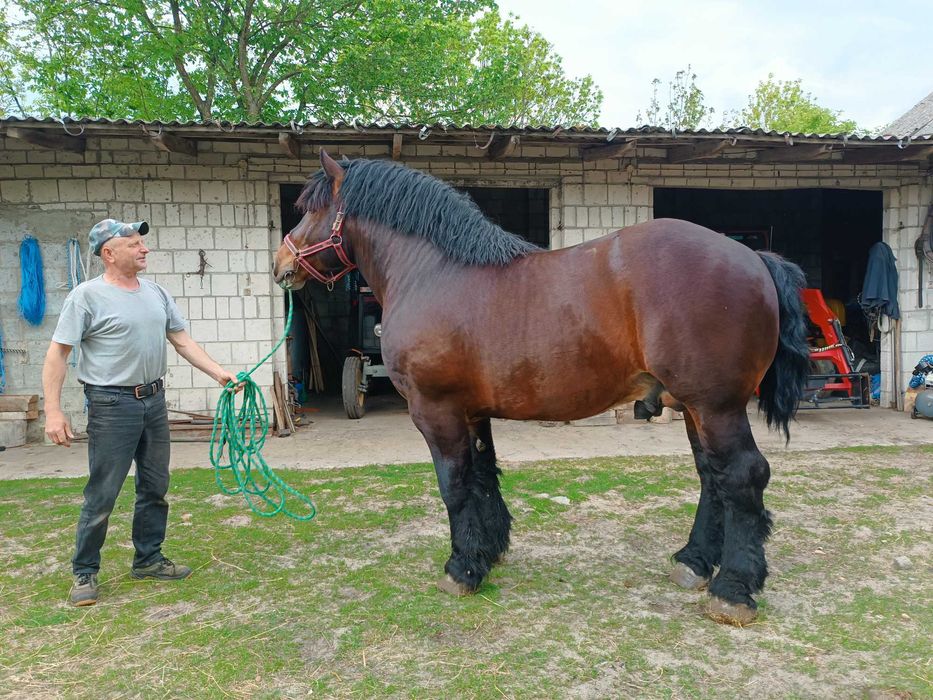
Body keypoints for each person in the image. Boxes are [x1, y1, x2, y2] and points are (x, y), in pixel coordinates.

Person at [42, 219, 241, 607]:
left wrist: (219, 373)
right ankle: (85, 571)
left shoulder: (156, 293)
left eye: (141, 243)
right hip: (111, 404)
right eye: (133, 244)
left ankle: (148, 559)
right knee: (103, 493)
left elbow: (182, 341)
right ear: (108, 253)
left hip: (154, 401)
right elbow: (57, 354)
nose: (143, 248)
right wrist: (52, 410)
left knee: (154, 486)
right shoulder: (86, 297)